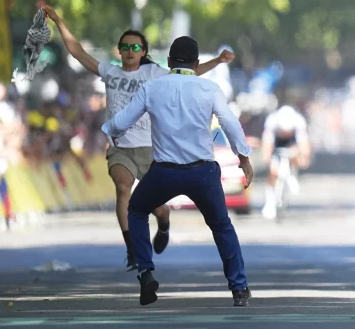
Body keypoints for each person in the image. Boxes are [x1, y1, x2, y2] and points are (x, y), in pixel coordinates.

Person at [42, 5, 234, 271]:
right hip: (121, 148)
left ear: (143, 52)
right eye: (126, 47)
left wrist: (217, 62)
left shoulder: (154, 74)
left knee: (155, 207)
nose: (130, 52)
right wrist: (59, 21)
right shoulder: (110, 72)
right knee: (123, 187)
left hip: (150, 149)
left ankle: (163, 221)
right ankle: (132, 247)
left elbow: (187, 75)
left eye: (136, 48)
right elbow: (77, 52)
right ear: (118, 51)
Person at [102, 36, 254, 307]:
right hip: (202, 173)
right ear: (196, 64)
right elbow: (230, 123)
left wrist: (111, 134)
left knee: (136, 210)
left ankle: (145, 271)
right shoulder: (209, 88)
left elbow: (123, 120)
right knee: (222, 227)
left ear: (169, 62)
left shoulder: (153, 88)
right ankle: (239, 288)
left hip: (164, 173)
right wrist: (243, 158)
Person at [260, 104, 311, 220]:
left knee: (296, 153)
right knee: (273, 172)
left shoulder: (299, 122)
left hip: (292, 143)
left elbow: (304, 144)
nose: (286, 133)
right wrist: (267, 159)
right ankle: (270, 202)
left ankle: (292, 174)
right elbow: (267, 145)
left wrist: (304, 158)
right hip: (276, 143)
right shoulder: (272, 122)